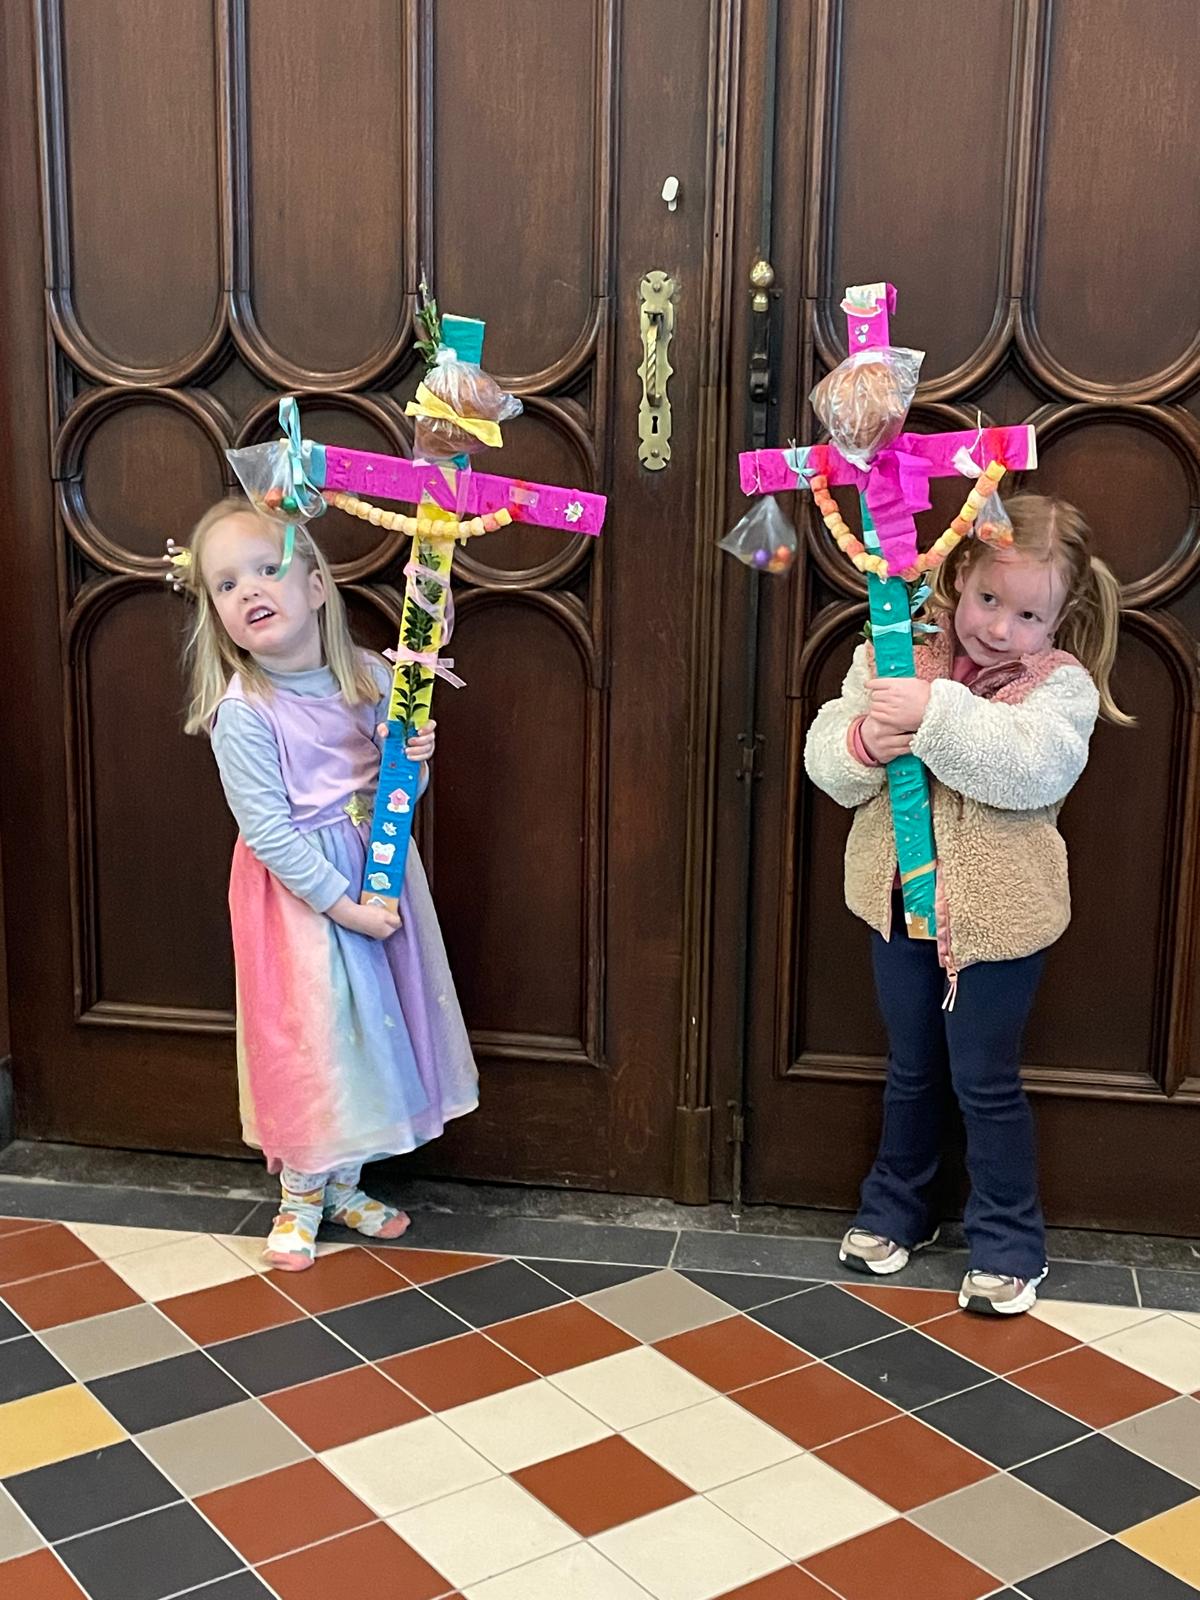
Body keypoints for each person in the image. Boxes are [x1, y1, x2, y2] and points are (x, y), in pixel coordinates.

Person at [805, 495, 1131, 1315]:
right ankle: (896, 1208)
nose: (998, 627)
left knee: (985, 1082)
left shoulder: (1059, 688)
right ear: (958, 578)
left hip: (996, 925)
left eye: (1027, 615)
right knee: (911, 1069)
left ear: (1059, 618)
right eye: (988, 599)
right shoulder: (899, 650)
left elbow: (1028, 769)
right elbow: (828, 757)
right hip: (898, 908)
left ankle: (1010, 1239)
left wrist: (934, 715)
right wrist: (863, 743)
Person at [174, 497, 477, 1269]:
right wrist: (345, 908)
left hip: (378, 874)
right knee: (314, 1042)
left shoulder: (372, 676)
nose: (248, 589)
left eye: (265, 570)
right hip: (303, 902)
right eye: (226, 584)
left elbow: (393, 791)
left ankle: (343, 1184)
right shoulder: (244, 711)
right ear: (217, 614)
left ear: (315, 587)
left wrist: (415, 758)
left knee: (370, 1033)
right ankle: (300, 1195)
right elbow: (270, 834)